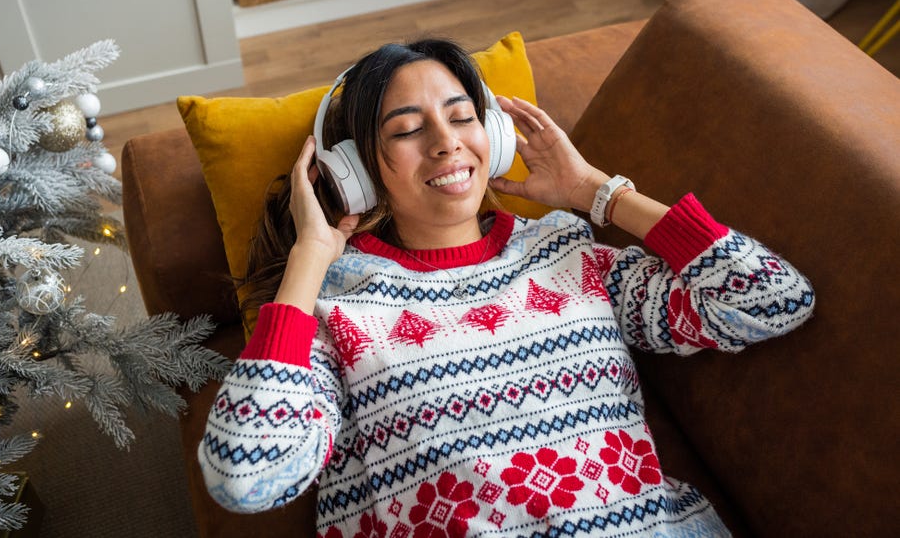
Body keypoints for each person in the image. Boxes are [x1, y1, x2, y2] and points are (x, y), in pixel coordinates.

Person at [199, 38, 814, 537]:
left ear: (490, 138)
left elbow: (770, 300)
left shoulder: (568, 251)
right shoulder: (333, 305)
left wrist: (600, 194)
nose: (446, 143)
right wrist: (308, 261)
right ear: (357, 172)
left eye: (463, 117)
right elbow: (246, 479)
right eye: (407, 129)